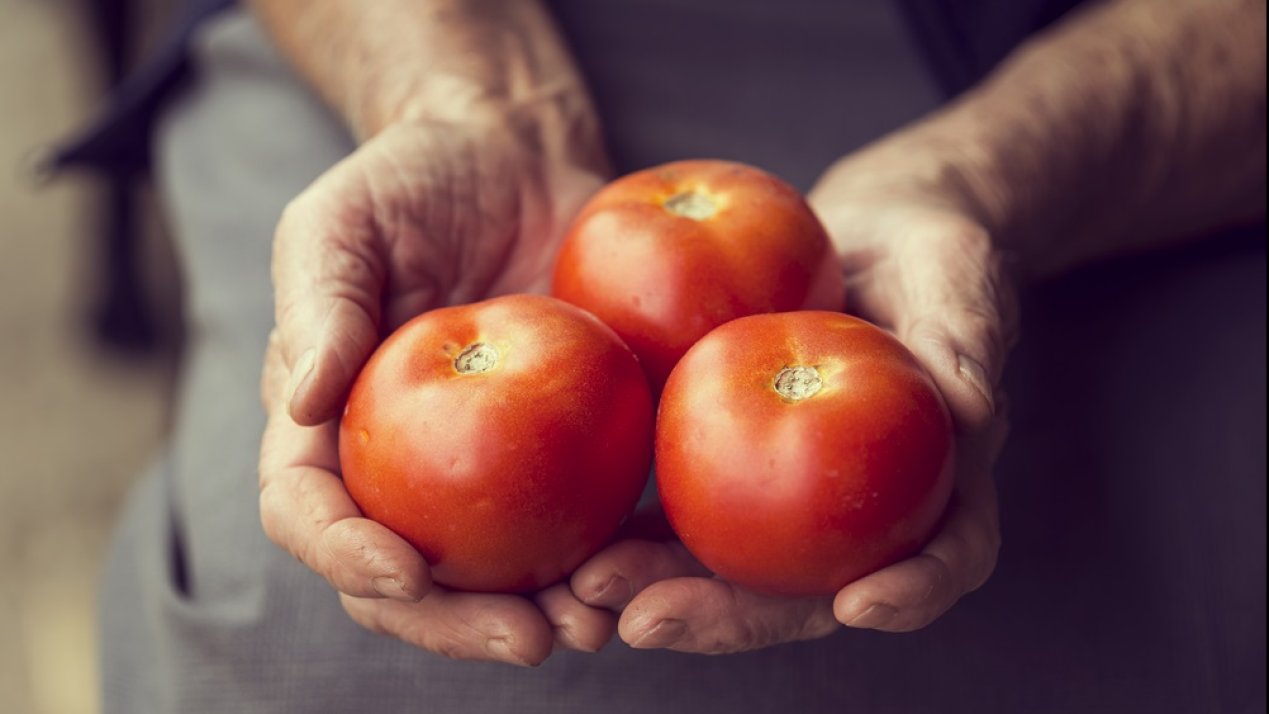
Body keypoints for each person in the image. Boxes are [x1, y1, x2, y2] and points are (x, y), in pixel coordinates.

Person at [85, 0, 1263, 711]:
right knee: (277, 652)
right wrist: (458, 97)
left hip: (1079, 54)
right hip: (435, 27)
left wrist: (975, 179)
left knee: (1212, 609)